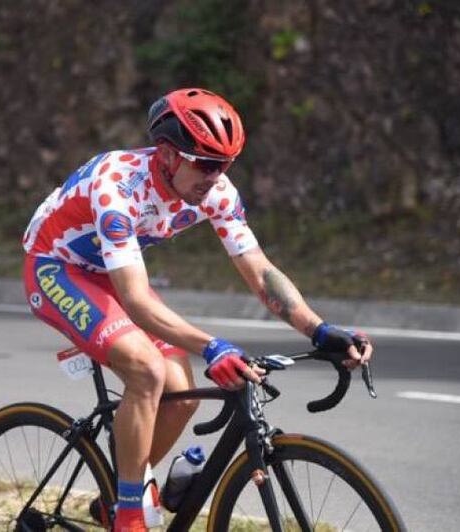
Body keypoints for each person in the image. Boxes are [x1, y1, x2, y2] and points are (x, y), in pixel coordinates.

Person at [22, 88, 372, 531]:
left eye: (225, 164)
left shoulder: (216, 192)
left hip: (110, 271)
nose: (216, 176)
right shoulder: (118, 187)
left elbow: (260, 272)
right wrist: (212, 347)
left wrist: (318, 329)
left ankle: (117, 493)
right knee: (147, 371)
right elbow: (137, 301)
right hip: (57, 267)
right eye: (206, 164)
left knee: (182, 396)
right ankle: (128, 515)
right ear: (168, 155)